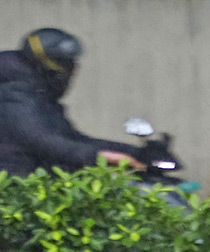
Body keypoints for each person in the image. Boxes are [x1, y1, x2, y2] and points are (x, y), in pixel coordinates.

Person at [0, 28, 145, 177]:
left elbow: (72, 139)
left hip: (37, 182)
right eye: (67, 64)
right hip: (18, 188)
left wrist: (136, 152)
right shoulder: (14, 96)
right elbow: (44, 141)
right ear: (48, 68)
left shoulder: (38, 95)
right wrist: (98, 156)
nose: (72, 71)